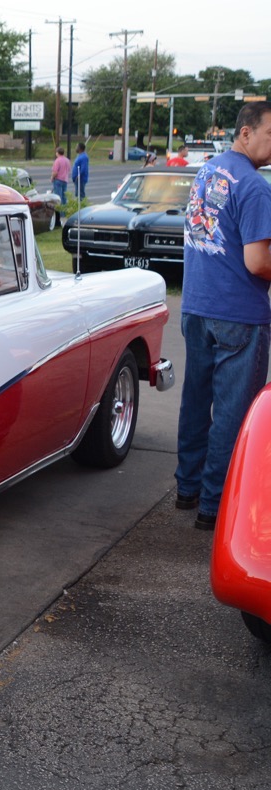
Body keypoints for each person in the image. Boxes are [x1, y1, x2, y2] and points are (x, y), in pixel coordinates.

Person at [175, 100, 271, 531]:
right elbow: (256, 262)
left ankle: (187, 489)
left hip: (196, 304)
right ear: (246, 133)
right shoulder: (254, 186)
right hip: (238, 312)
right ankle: (213, 507)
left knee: (196, 403)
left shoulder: (207, 171)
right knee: (233, 413)